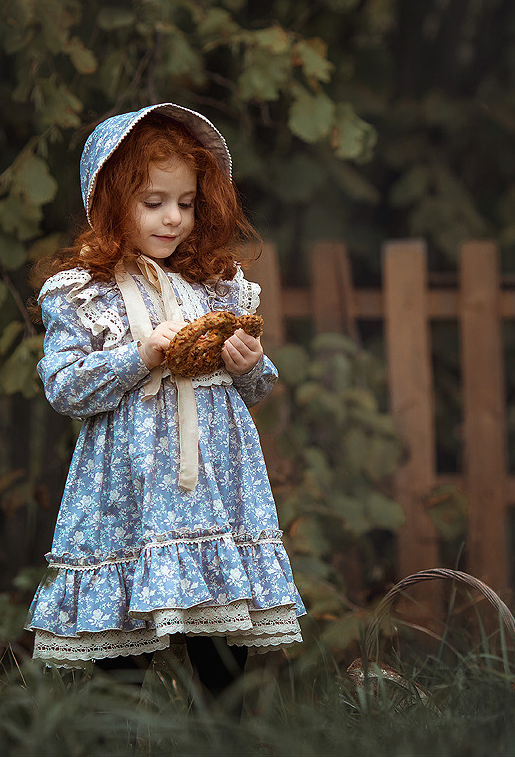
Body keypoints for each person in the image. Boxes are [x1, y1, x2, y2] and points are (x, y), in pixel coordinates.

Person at [25, 103, 305, 714]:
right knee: (120, 662)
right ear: (110, 200)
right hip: (127, 496)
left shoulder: (216, 284)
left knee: (219, 649)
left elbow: (257, 389)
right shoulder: (82, 293)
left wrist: (246, 361)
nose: (172, 218)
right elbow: (65, 387)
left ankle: (226, 739)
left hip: (212, 491)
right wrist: (138, 357)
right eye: (153, 202)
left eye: (185, 202)